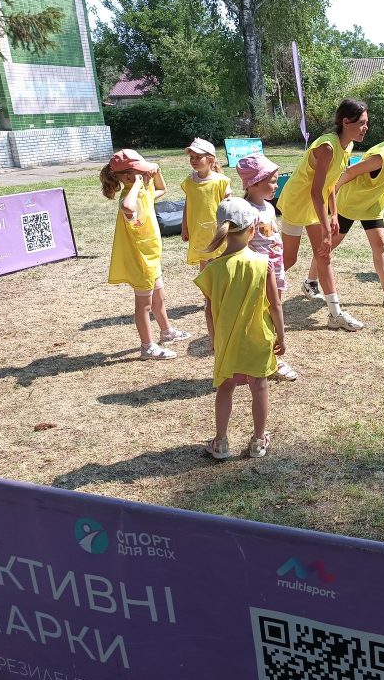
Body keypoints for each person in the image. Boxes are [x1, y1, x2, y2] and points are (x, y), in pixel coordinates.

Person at [194, 198, 286, 460]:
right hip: (259, 338)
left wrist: (214, 339)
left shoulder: (212, 268)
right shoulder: (263, 263)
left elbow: (209, 311)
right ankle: (258, 440)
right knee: (259, 386)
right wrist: (281, 336)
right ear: (253, 228)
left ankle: (221, 442)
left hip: (227, 340)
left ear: (221, 229)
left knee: (225, 387)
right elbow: (275, 306)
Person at [304, 118, 384, 311]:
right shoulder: (381, 156)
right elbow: (349, 172)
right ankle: (310, 282)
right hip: (351, 204)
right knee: (329, 245)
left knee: (380, 246)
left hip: (371, 207)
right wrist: (331, 194)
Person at [279, 98, 369, 331]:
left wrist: (334, 214)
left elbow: (331, 185)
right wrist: (327, 229)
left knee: (324, 255)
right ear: (346, 122)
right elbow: (315, 191)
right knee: (289, 259)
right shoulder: (327, 147)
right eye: (361, 123)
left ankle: (335, 314)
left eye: (366, 123)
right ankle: (255, 288)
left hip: (314, 204)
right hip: (297, 202)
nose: (365, 128)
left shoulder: (347, 146)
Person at [101, 149, 190, 360]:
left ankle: (166, 332)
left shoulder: (141, 191)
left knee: (159, 297)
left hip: (151, 256)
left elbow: (162, 189)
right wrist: (138, 184)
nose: (144, 174)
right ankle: (147, 347)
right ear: (126, 177)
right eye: (139, 172)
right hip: (140, 260)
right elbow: (127, 206)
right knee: (144, 305)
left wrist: (156, 172)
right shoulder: (129, 196)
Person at [236, 153, 298, 381]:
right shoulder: (246, 211)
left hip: (275, 270)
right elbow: (241, 245)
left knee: (273, 312)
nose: (276, 185)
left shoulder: (269, 208)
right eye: (272, 181)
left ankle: (269, 357)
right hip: (258, 274)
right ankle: (268, 360)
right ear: (254, 183)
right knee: (260, 316)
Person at [180, 138, 231, 348]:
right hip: (199, 232)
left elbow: (228, 206)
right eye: (191, 157)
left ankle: (221, 296)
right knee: (204, 265)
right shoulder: (189, 182)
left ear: (210, 160)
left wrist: (228, 227)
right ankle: (208, 296)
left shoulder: (221, 181)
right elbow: (188, 204)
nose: (193, 160)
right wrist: (184, 226)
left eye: (198, 157)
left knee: (220, 262)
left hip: (217, 231)